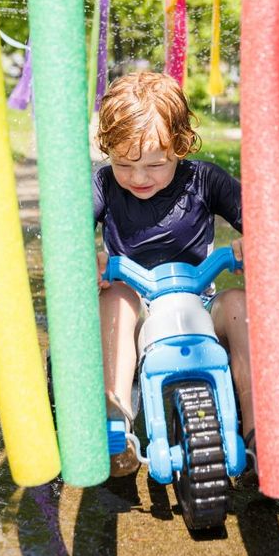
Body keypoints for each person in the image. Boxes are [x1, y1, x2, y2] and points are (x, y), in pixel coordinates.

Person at [93, 71, 254, 476]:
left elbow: (261, 220)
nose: (139, 177)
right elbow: (71, 229)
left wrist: (256, 243)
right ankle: (117, 420)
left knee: (237, 304)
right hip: (136, 303)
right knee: (116, 300)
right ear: (107, 150)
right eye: (124, 164)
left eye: (155, 164)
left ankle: (257, 424)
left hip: (197, 301)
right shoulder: (103, 185)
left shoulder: (204, 180)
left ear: (180, 146)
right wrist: (87, 255)